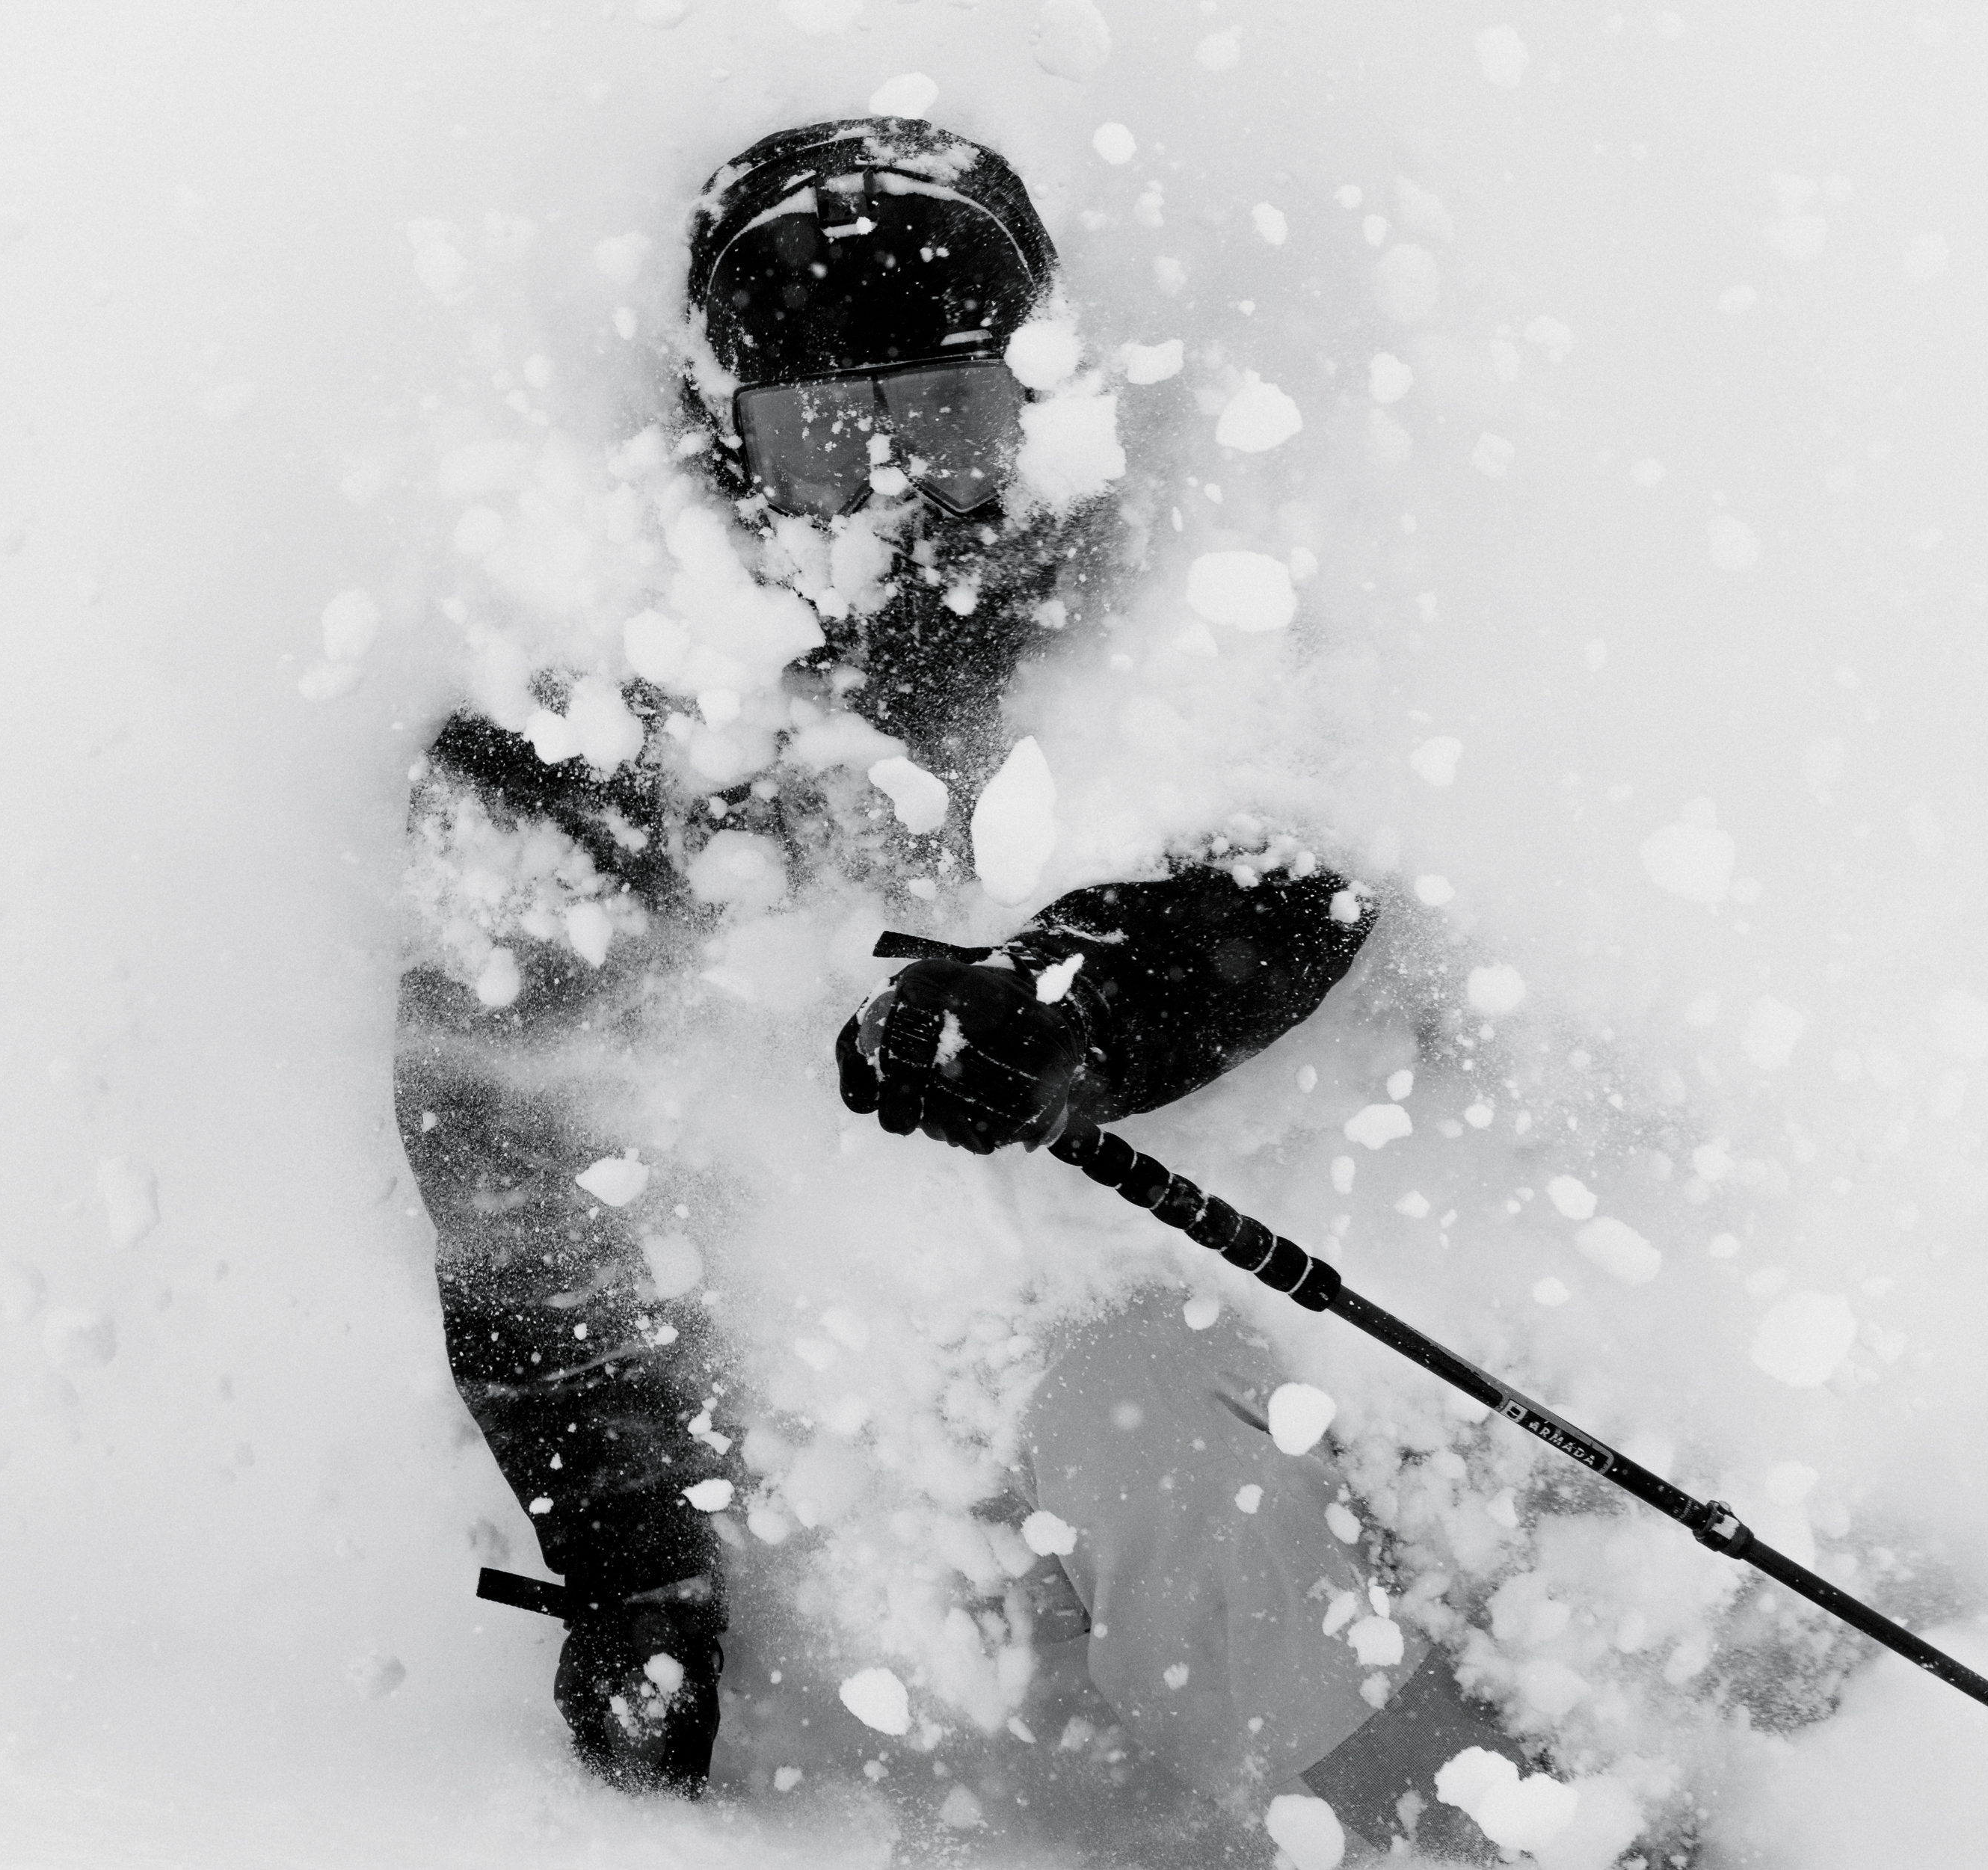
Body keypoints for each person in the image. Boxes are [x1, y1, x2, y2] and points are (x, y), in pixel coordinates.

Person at [395, 117, 1510, 1857]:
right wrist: (633, 1559)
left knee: (1151, 1417)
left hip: (1189, 1358)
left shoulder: (1171, 577)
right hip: (840, 1445)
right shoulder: (576, 735)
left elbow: (1289, 875)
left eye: (948, 415)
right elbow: (517, 1168)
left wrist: (1074, 1003)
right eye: (826, 437)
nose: (901, 486)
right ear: (719, 435)